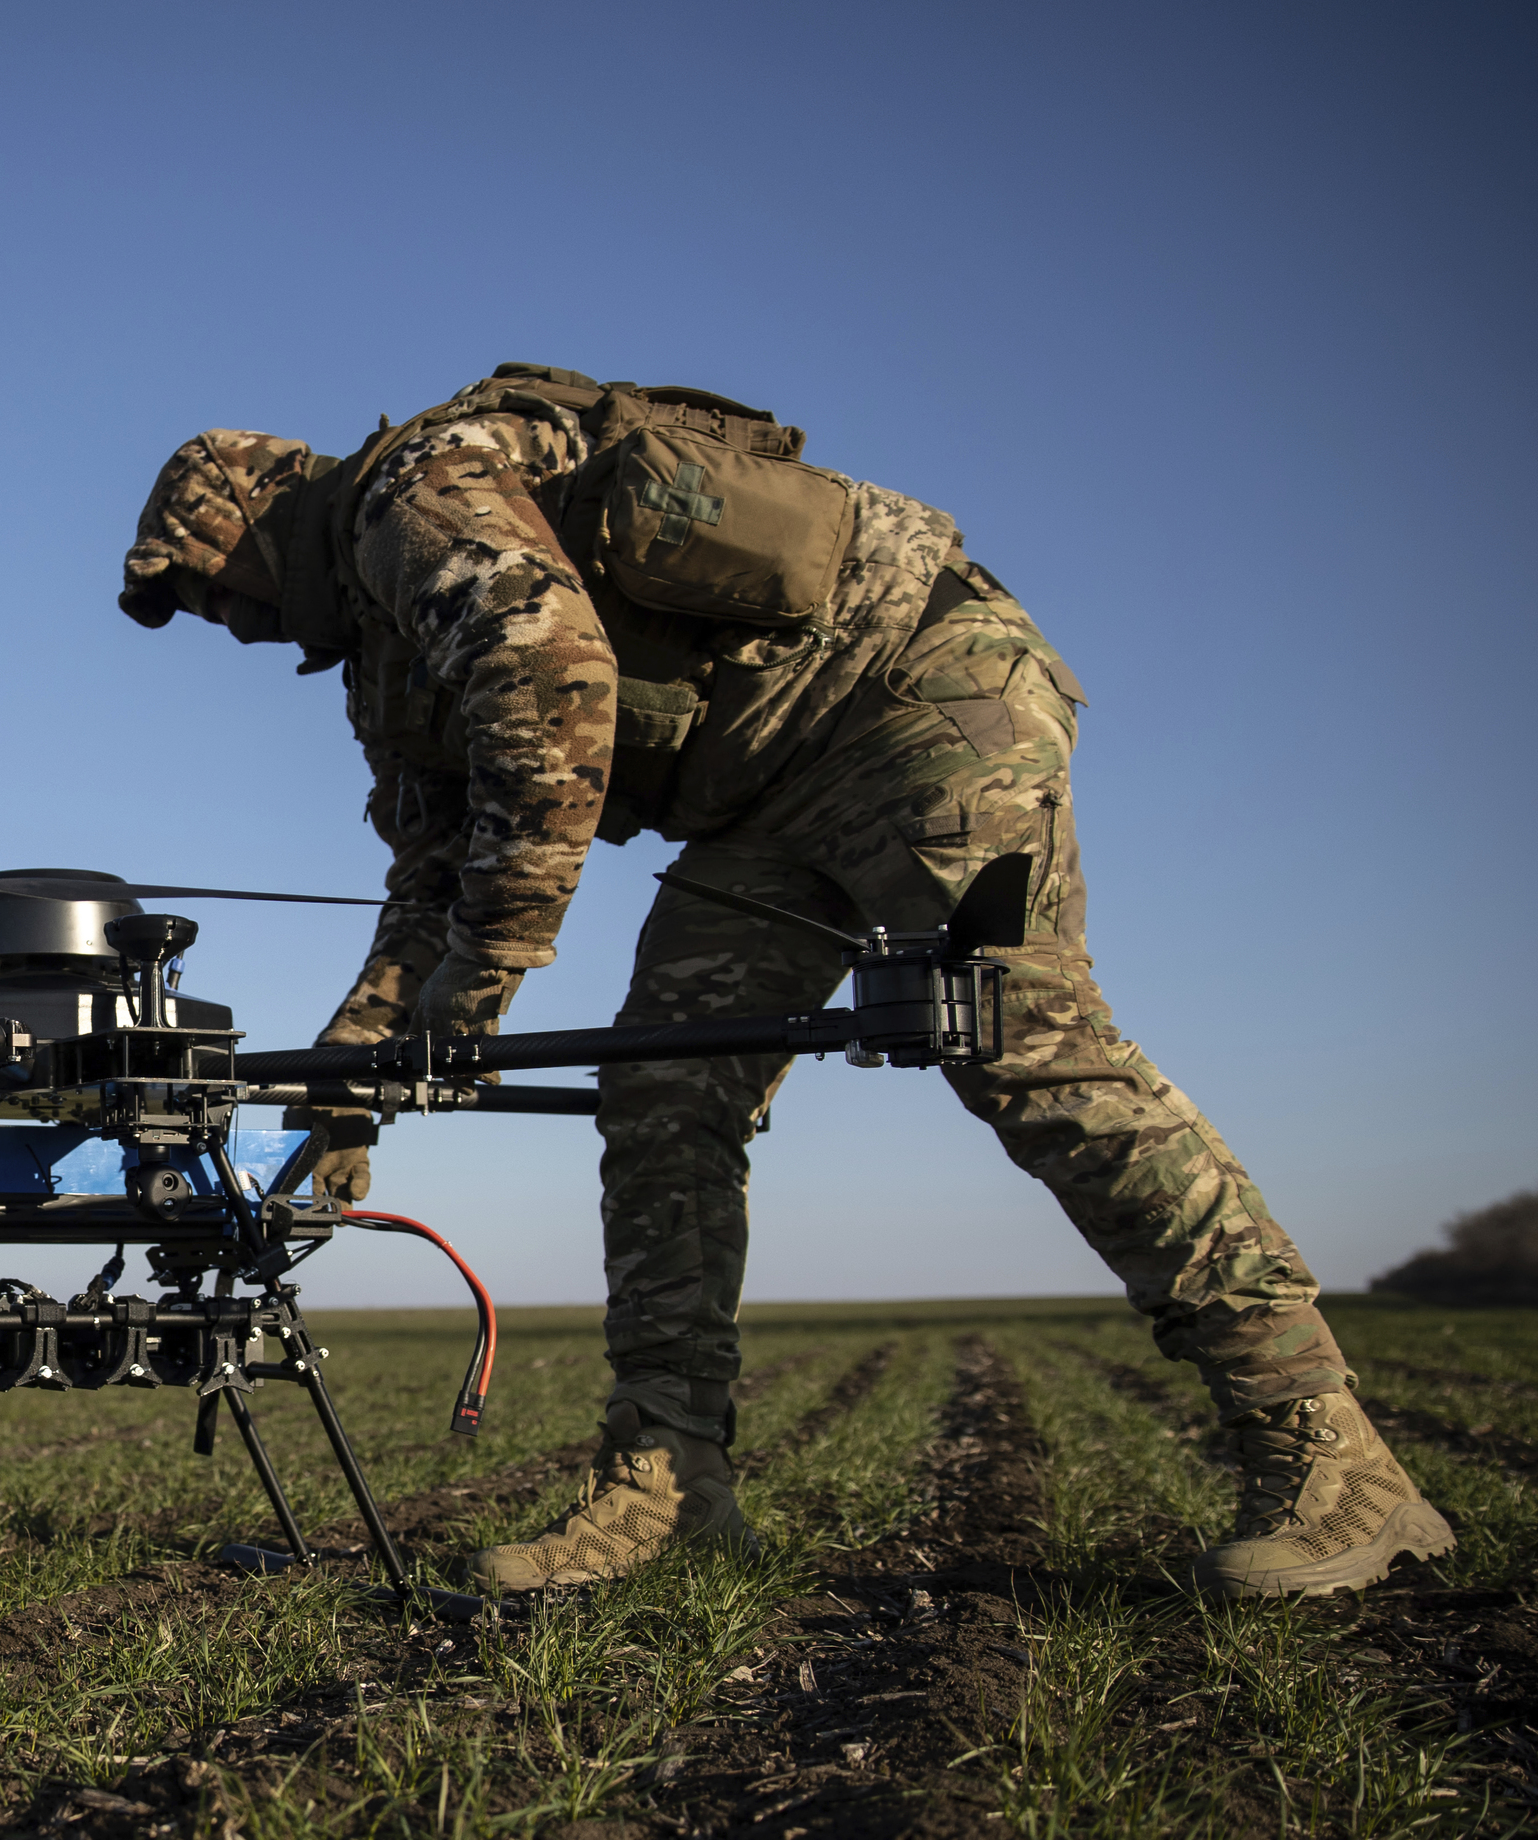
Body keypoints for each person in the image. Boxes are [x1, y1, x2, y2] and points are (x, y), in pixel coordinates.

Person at [116, 362, 1452, 1598]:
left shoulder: (417, 496)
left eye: (204, 580)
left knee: (1022, 1046)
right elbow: (429, 882)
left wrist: (488, 985)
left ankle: (1327, 1454)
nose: (218, 622)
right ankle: (669, 1479)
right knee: (662, 1099)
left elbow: (555, 686)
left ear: (255, 511)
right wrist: (352, 1089)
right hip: (754, 803)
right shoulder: (381, 654)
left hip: (918, 699)